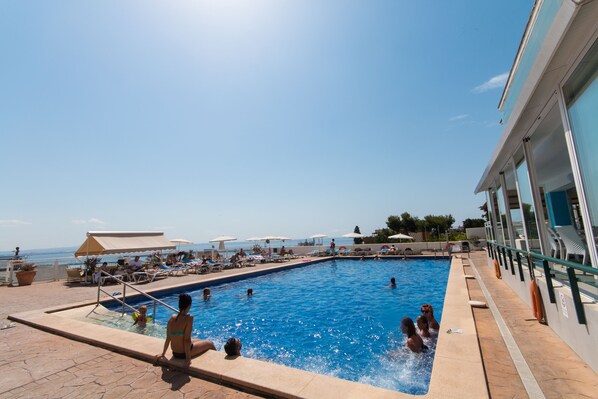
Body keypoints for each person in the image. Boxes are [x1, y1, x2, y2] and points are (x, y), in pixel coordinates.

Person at [155, 293, 215, 368]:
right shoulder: (189, 318)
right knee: (210, 343)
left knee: (199, 340)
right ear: (189, 306)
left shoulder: (172, 318)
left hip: (175, 353)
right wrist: (188, 359)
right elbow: (186, 340)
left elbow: (168, 338)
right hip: (183, 353)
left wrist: (163, 353)